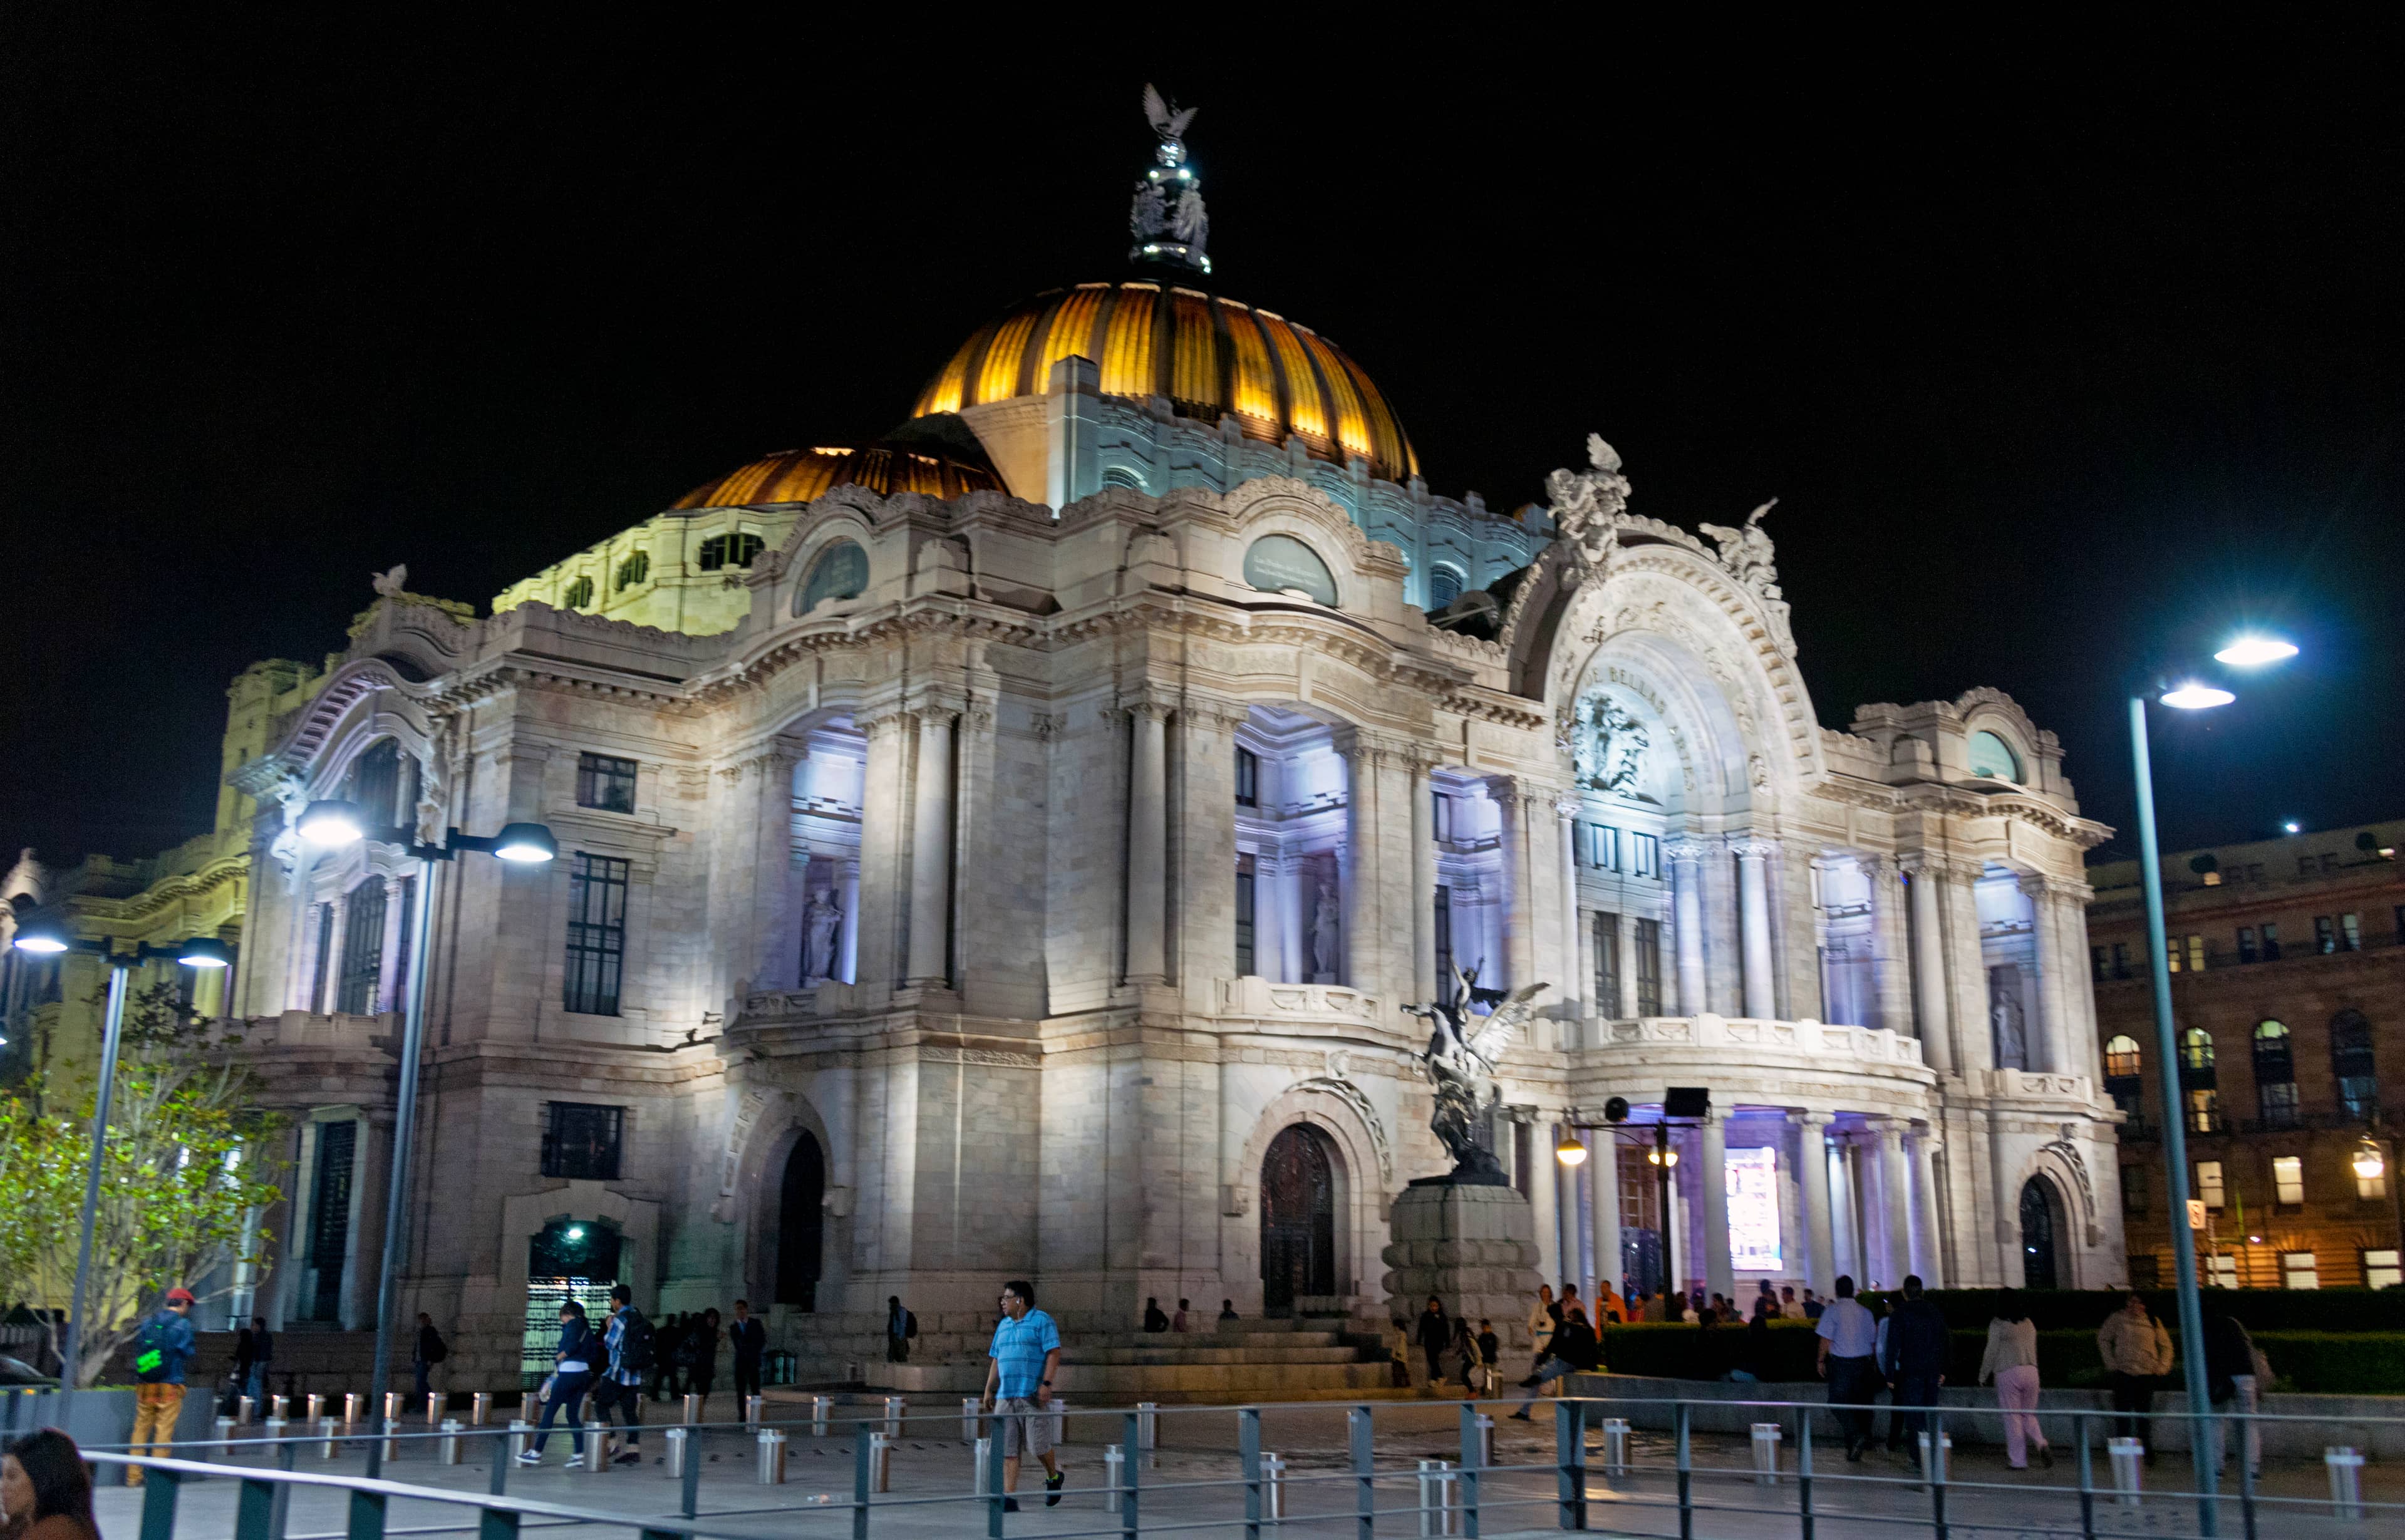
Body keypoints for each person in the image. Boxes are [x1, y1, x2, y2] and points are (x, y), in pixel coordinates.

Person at [981, 1280, 1064, 1511]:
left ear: (1020, 1300)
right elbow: (996, 1358)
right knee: (1007, 1449)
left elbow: (1054, 1352)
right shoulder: (1004, 1325)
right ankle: (1009, 1497)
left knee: (1038, 1446)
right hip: (1006, 1396)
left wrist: (1046, 1383)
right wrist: (989, 1388)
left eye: (1006, 1298)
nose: (1002, 1302)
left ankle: (1054, 1476)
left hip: (1031, 1395)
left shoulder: (1042, 1321)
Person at [125, 1285, 199, 1486]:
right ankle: (157, 1479)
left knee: (140, 1429)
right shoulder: (183, 1325)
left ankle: (133, 1477)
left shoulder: (149, 1322)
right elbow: (188, 1352)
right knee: (163, 1431)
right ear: (183, 1304)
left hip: (146, 1383)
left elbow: (140, 1348)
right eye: (188, 1306)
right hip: (170, 1384)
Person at [1979, 1291, 2051, 1470]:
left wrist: (1983, 1374)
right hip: (2032, 1371)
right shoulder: (2029, 1323)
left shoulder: (1998, 1324)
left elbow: (1991, 1351)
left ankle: (2018, 1461)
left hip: (2008, 1372)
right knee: (2028, 1415)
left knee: (2013, 1418)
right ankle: (2041, 1443)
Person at [520, 1301, 598, 1465]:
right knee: (572, 1415)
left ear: (567, 1314)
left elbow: (571, 1346)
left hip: (569, 1372)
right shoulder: (587, 1329)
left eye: (561, 1318)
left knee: (550, 1412)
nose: (562, 1321)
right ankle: (579, 1454)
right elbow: (594, 1354)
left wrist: (560, 1356)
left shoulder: (573, 1324)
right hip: (583, 1374)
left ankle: (536, 1452)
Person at [1883, 1276, 1949, 1468]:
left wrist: (1889, 1374)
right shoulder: (1934, 1311)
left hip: (1911, 1371)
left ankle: (1918, 1457)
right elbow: (1945, 1340)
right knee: (1930, 1413)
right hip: (1932, 1370)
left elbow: (1892, 1347)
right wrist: (1944, 1369)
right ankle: (1932, 1455)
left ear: (1905, 1293)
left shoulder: (1900, 1313)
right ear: (1922, 1291)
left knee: (1914, 1417)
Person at [2097, 1292, 2171, 1461]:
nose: (2135, 1306)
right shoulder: (2118, 1319)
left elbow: (2166, 1346)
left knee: (2144, 1417)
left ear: (2145, 1306)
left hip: (2146, 1374)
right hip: (2124, 1373)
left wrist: (2162, 1366)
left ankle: (2146, 1453)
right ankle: (2123, 1455)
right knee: (2122, 1417)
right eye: (2131, 1302)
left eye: (2139, 1303)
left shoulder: (2153, 1321)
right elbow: (2103, 1339)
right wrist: (2111, 1363)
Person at [1815, 1274, 1880, 1462]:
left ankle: (1855, 1438)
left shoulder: (1832, 1311)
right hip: (1864, 1364)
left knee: (1838, 1403)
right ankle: (1855, 1447)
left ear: (1837, 1291)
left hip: (1842, 1365)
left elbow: (1825, 1339)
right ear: (1852, 1290)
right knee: (1859, 1406)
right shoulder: (1866, 1312)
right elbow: (1873, 1342)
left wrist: (1820, 1361)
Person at [2203, 1301, 2263, 1481]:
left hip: (2222, 1378)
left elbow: (2209, 1357)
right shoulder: (2235, 1325)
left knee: (2216, 1421)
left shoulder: (2206, 1328)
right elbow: (2249, 1350)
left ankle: (2216, 1468)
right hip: (2246, 1376)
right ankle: (2252, 1469)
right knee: (2249, 1422)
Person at [1, 1429, 97, 1540]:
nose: (2, 1486)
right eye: (2, 1475)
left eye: (12, 1476)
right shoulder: (28, 1523)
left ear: (42, 1479)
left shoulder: (56, 1531)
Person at [1509, 1303, 1598, 1418]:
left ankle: (1524, 1411)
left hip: (1564, 1362)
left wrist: (1540, 1361)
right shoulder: (1582, 1328)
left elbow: (1553, 1347)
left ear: (1553, 1315)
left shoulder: (1562, 1325)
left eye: (1551, 1315)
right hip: (1576, 1364)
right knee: (1542, 1378)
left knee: (1537, 1379)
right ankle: (1525, 1408)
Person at [596, 1284, 648, 1465]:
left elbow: (610, 1344)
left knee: (601, 1406)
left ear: (618, 1301)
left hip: (619, 1373)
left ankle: (611, 1443)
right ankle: (633, 1450)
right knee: (629, 1412)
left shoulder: (620, 1319)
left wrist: (609, 1326)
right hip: (635, 1374)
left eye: (612, 1300)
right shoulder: (638, 1316)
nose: (612, 1303)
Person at [682, 1308, 721, 1419]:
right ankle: (695, 1418)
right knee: (701, 1394)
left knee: (704, 1394)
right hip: (699, 1367)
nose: (712, 1320)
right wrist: (716, 1340)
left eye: (714, 1318)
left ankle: (697, 1418)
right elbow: (703, 1347)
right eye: (710, 1318)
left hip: (708, 1368)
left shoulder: (713, 1332)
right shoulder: (700, 1331)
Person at [728, 1299, 767, 1408]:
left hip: (753, 1361)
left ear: (746, 1310)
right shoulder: (734, 1327)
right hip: (741, 1363)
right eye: (737, 1309)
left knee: (755, 1389)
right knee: (740, 1391)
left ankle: (756, 1413)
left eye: (741, 1309)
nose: (739, 1312)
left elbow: (761, 1340)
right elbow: (737, 1344)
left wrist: (753, 1351)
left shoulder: (755, 1323)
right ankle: (742, 1415)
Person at [1727, 1296, 1772, 1382]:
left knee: (1733, 1374)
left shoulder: (1750, 1341)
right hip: (1764, 1376)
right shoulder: (1767, 1339)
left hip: (1756, 1377)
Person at [233, 1315, 273, 1410]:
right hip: (257, 1363)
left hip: (258, 1363)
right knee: (253, 1387)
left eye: (254, 1325)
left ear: (259, 1326)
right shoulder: (261, 1336)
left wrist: (259, 1364)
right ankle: (253, 1410)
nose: (253, 1327)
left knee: (255, 1388)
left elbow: (262, 1353)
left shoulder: (262, 1337)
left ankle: (255, 1410)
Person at [1415, 1296, 1452, 1391]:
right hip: (1428, 1341)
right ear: (1429, 1306)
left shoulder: (1442, 1316)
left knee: (1433, 1360)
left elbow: (1446, 1330)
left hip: (1439, 1342)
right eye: (1432, 1306)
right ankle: (1434, 1380)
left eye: (1435, 1306)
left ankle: (1439, 1376)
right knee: (1432, 1360)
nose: (1434, 1308)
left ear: (1439, 1306)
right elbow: (1421, 1329)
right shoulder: (1425, 1316)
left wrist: (1447, 1343)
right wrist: (1418, 1340)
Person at [413, 1312, 447, 1401]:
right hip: (420, 1360)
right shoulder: (421, 1331)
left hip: (424, 1360)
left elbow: (431, 1347)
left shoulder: (429, 1331)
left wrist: (430, 1360)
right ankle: (425, 1401)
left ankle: (430, 1400)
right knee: (420, 1382)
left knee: (421, 1382)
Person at [1526, 1284, 1558, 1373]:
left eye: (1547, 1292)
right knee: (1538, 1360)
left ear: (1550, 1293)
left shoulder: (1555, 1306)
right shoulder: (1537, 1306)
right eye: (1543, 1292)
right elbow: (1533, 1318)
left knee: (1551, 1361)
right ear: (1541, 1293)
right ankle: (1536, 1377)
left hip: (1551, 1337)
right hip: (1540, 1337)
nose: (1545, 1294)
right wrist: (1530, 1327)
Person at [886, 1296, 917, 1363]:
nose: (890, 1307)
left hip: (900, 1338)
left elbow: (902, 1325)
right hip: (895, 1337)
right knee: (892, 1356)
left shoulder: (902, 1312)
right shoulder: (894, 1313)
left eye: (891, 1304)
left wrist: (900, 1337)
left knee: (901, 1356)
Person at [1476, 1320, 1501, 1394]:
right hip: (1486, 1360)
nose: (1486, 1329)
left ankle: (1488, 1389)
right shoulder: (1481, 1337)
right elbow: (1479, 1349)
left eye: (1487, 1327)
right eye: (1484, 1328)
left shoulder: (1493, 1337)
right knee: (1488, 1375)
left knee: (1491, 1375)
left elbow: (1495, 1347)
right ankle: (1488, 1390)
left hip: (1492, 1359)